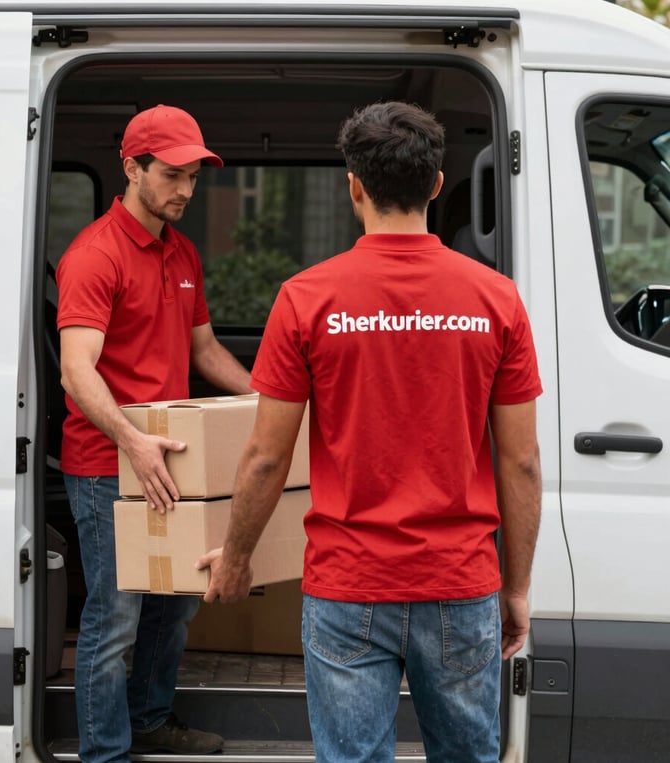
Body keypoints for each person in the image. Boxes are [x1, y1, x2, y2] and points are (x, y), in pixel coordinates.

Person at [198, 101, 543, 763]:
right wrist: (517, 587)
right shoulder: (496, 299)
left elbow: (267, 456)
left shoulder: (306, 297)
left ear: (352, 185)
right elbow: (521, 461)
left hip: (348, 586)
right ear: (437, 184)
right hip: (461, 581)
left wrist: (237, 554)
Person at [56, 103, 252, 762]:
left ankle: (148, 718)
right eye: (172, 175)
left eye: (195, 178)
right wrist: (131, 442)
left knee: (173, 606)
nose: (186, 192)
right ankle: (104, 751)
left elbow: (204, 351)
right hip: (107, 464)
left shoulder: (183, 251)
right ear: (132, 166)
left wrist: (270, 398)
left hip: (171, 458)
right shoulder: (94, 254)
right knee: (115, 618)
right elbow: (75, 371)